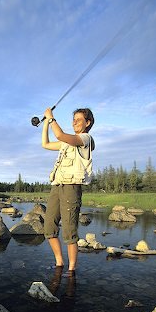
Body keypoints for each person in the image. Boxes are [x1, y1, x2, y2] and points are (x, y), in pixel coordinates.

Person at [42, 107, 95, 273]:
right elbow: (45, 144)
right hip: (57, 186)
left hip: (72, 187)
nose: (75, 122)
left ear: (88, 123)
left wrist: (51, 118)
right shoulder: (66, 143)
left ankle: (71, 270)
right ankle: (60, 263)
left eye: (79, 119)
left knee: (69, 229)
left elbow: (59, 135)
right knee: (49, 227)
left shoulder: (86, 138)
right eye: (73, 119)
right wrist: (45, 122)